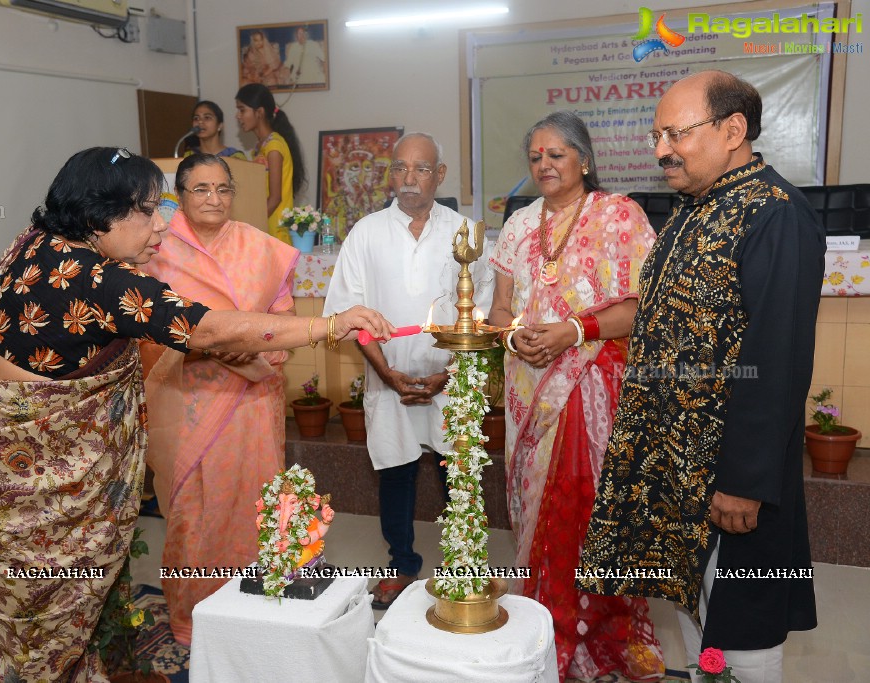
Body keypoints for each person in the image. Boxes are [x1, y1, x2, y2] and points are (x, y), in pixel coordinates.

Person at [0, 147, 393, 681]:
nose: (162, 225)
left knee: (16, 629)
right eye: (148, 211)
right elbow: (208, 329)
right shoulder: (102, 281)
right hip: (41, 502)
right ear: (98, 215)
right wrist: (331, 325)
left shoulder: (32, 247)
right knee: (42, 642)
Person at [577, 71, 822, 683]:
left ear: (733, 130)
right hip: (675, 473)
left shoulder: (775, 215)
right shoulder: (695, 210)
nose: (661, 149)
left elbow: (778, 359)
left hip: (730, 481)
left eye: (676, 133)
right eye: (658, 134)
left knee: (743, 623)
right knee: (697, 610)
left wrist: (745, 482)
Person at [486, 112, 663, 680]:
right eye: (535, 156)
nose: (544, 165)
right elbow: (499, 311)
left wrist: (572, 332)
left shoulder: (620, 216)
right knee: (533, 510)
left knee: (586, 507)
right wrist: (517, 336)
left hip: (592, 386)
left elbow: (642, 309)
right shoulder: (518, 226)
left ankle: (593, 630)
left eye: (556, 154)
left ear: (583, 160)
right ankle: (542, 623)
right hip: (528, 387)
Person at [324, 132, 493, 609]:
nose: (409, 179)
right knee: (395, 472)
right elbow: (348, 311)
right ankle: (401, 563)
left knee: (455, 471)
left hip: (450, 382)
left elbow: (480, 310)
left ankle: (465, 564)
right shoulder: (367, 232)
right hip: (388, 379)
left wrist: (449, 372)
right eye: (400, 168)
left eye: (421, 169)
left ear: (440, 174)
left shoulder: (465, 231)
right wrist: (388, 375)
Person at [139, 153, 298, 646]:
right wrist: (206, 347)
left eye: (223, 189)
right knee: (195, 507)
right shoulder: (155, 250)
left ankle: (259, 606)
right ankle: (194, 615)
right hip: (187, 398)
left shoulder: (262, 248)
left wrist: (265, 351)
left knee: (256, 496)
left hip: (253, 398)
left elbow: (285, 316)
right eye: (201, 189)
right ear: (180, 197)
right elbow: (140, 328)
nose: (214, 198)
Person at [235, 83, 306, 245]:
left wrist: (250, 226)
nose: (238, 116)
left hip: (276, 232)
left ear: (259, 112)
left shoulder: (274, 147)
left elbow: (275, 198)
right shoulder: (260, 147)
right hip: (264, 231)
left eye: (242, 110)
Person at [182, 101, 246, 160]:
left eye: (207, 117)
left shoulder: (234, 156)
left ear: (220, 125)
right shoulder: (189, 156)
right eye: (196, 118)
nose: (200, 122)